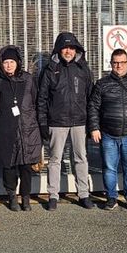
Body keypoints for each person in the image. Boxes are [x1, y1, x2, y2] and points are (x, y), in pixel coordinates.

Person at [38, 32, 95, 210]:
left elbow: (91, 97)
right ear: (59, 49)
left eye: (71, 48)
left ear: (76, 49)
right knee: (55, 160)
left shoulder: (83, 69)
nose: (68, 51)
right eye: (65, 48)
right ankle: (53, 196)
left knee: (81, 158)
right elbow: (42, 99)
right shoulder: (49, 70)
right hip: (57, 122)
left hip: (80, 122)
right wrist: (43, 123)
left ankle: (83, 194)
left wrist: (92, 122)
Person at [0, 45, 42, 211]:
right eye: (5, 62)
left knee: (26, 167)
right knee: (8, 167)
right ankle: (12, 196)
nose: (8, 65)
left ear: (18, 63)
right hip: (5, 130)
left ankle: (26, 197)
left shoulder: (28, 79)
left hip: (27, 130)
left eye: (12, 62)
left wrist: (40, 125)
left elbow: (36, 102)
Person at [89, 49, 127, 210]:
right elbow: (93, 107)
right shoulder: (102, 84)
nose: (119, 66)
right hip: (108, 134)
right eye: (115, 62)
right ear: (111, 64)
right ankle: (111, 197)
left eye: (122, 62)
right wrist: (94, 127)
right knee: (109, 168)